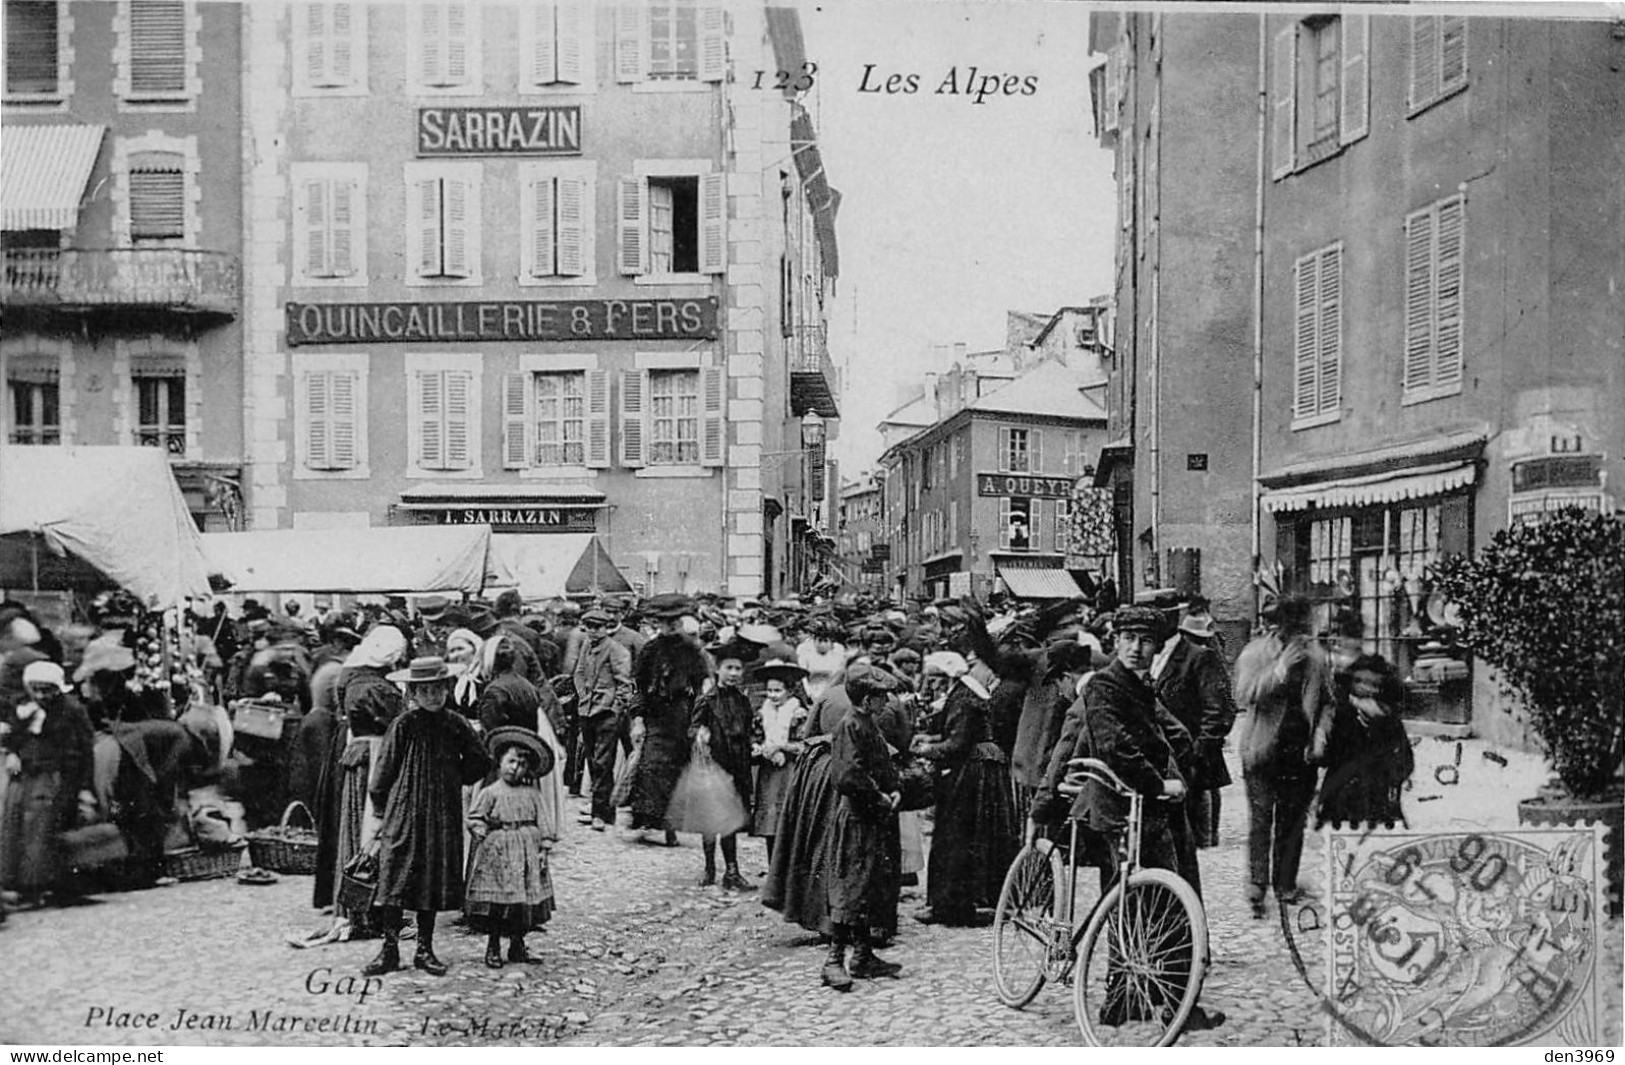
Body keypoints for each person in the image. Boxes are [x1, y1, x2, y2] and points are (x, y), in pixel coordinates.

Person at [1030, 605, 1225, 1033]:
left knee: (1139, 903)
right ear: (1116, 641)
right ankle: (1176, 1006)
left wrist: (1186, 764)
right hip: (1124, 811)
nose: (1137, 648)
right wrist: (1160, 784)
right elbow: (1114, 746)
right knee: (1159, 905)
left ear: (1157, 646)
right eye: (1129, 639)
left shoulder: (1141, 685)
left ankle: (1123, 1000)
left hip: (1153, 810)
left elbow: (1173, 731)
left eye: (1147, 641)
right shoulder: (1103, 686)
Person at [364, 657, 491, 977]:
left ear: (446, 689)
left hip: (442, 814)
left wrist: (453, 777)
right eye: (424, 691)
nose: (432, 696)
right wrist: (380, 809)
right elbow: (384, 770)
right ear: (413, 693)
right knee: (395, 876)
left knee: (430, 880)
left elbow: (480, 761)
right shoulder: (404, 725)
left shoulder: (456, 723)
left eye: (438, 689)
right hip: (404, 810)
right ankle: (389, 949)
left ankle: (425, 948)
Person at [1233, 594, 1334, 918]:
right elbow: (1243, 694)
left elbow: (1329, 701)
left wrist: (1319, 735)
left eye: (1305, 630)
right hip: (1262, 750)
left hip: (1300, 752)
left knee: (1292, 822)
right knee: (1262, 821)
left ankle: (1285, 884)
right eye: (1296, 631)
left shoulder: (1317, 658)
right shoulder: (1254, 654)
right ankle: (1257, 886)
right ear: (1279, 630)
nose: (1302, 638)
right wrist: (1278, 670)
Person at [312, 625, 407, 942]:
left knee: (354, 827)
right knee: (374, 827)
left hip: (356, 752)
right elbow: (397, 725)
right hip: (376, 755)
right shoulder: (377, 687)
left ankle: (357, 904)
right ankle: (371, 906)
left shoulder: (350, 675)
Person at [911, 651, 1018, 927]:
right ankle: (979, 900)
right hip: (984, 769)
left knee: (956, 836)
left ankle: (950, 905)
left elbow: (957, 744)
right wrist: (933, 738)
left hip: (973, 773)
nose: (931, 685)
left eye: (935, 679)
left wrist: (927, 749)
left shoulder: (962, 697)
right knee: (980, 836)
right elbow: (960, 733)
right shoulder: (969, 695)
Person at [822, 665, 905, 991]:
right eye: (882, 697)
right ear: (868, 699)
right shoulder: (849, 726)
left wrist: (894, 786)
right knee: (851, 889)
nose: (887, 702)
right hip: (857, 818)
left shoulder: (868, 724)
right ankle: (833, 961)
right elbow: (846, 775)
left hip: (872, 818)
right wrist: (879, 795)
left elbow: (881, 763)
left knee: (868, 886)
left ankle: (862, 955)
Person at [1, 662, 95, 906]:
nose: (42, 696)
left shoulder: (71, 710)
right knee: (15, 826)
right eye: (36, 690)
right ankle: (15, 884)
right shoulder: (24, 707)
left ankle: (38, 885)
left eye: (47, 690)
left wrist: (83, 787)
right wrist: (13, 753)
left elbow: (84, 750)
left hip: (52, 776)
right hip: (24, 776)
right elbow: (14, 736)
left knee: (39, 830)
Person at [1152, 603, 1238, 867]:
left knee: (1200, 799)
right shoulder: (1153, 656)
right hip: (1163, 758)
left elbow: (1221, 708)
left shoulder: (1201, 657)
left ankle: (1206, 838)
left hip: (1190, 752)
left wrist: (1201, 748)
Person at [465, 727, 558, 968]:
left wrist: (543, 849)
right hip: (499, 852)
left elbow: (544, 821)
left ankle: (518, 944)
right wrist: (479, 829)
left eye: (522, 764)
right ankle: (493, 946)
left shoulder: (533, 794)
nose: (516, 768)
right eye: (511, 761)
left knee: (523, 903)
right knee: (499, 903)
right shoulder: (491, 792)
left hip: (527, 852)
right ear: (500, 762)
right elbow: (475, 816)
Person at [1316, 614, 1413, 829]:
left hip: (1372, 758)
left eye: (1344, 636)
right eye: (1336, 637)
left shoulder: (1377, 669)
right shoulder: (1332, 673)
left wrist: (1367, 706)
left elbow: (1395, 708)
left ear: (1357, 639)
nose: (1339, 642)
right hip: (1345, 758)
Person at [627, 594, 709, 844]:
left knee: (678, 771)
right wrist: (638, 719)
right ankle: (649, 820)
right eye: (665, 621)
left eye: (674, 621)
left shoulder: (691, 650)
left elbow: (702, 686)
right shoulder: (650, 650)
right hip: (656, 715)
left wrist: (700, 722)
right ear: (658, 623)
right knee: (650, 768)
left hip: (682, 716)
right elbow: (639, 687)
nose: (670, 625)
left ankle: (672, 828)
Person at [688, 638, 758, 890]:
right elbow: (693, 727)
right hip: (714, 765)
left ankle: (732, 871)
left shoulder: (742, 700)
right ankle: (709, 868)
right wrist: (700, 734)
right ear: (718, 669)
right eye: (729, 668)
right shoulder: (707, 700)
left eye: (738, 669)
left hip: (737, 765)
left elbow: (748, 730)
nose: (734, 674)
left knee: (730, 819)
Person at [571, 608, 634, 832]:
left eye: (598, 627)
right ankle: (604, 812)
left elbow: (624, 684)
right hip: (587, 710)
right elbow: (578, 673)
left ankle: (601, 813)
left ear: (606, 627)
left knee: (602, 763)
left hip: (607, 713)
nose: (593, 631)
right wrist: (583, 696)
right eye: (589, 627)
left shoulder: (616, 650)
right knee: (591, 760)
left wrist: (616, 708)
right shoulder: (587, 646)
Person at [750, 651, 809, 865]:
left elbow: (804, 745)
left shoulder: (798, 714)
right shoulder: (762, 713)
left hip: (790, 771)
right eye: (769, 691)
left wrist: (782, 747)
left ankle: (788, 870)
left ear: (790, 690)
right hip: (769, 771)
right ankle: (772, 865)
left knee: (788, 818)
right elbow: (755, 737)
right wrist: (759, 747)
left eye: (778, 691)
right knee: (769, 821)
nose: (773, 695)